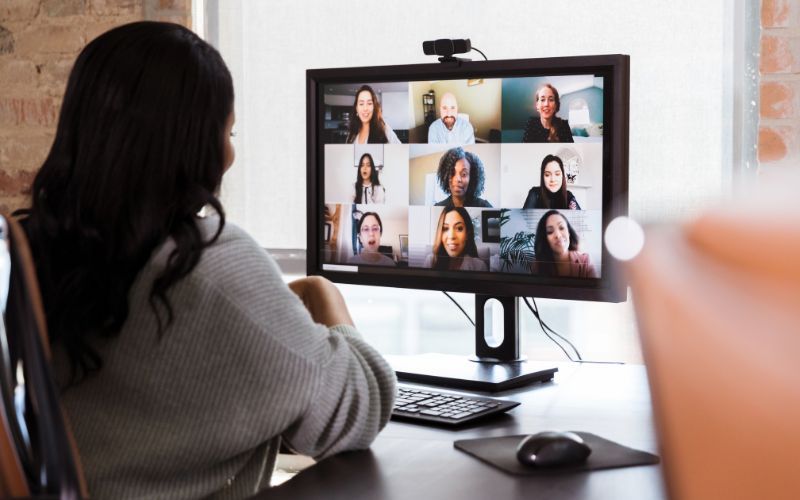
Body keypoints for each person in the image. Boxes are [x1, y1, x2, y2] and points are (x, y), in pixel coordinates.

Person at [15, 22, 396, 499]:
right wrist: (322, 293)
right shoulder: (210, 263)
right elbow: (357, 410)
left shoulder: (45, 248)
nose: (232, 154)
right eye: (229, 131)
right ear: (193, 142)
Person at [532, 210, 597, 278]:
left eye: (561, 228)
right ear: (544, 238)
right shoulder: (538, 265)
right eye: (550, 231)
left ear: (569, 233)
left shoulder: (585, 261)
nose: (558, 235)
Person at [423, 207, 487, 271]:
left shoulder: (480, 266)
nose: (451, 236)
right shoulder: (431, 262)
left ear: (467, 234)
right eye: (445, 228)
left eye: (459, 228)